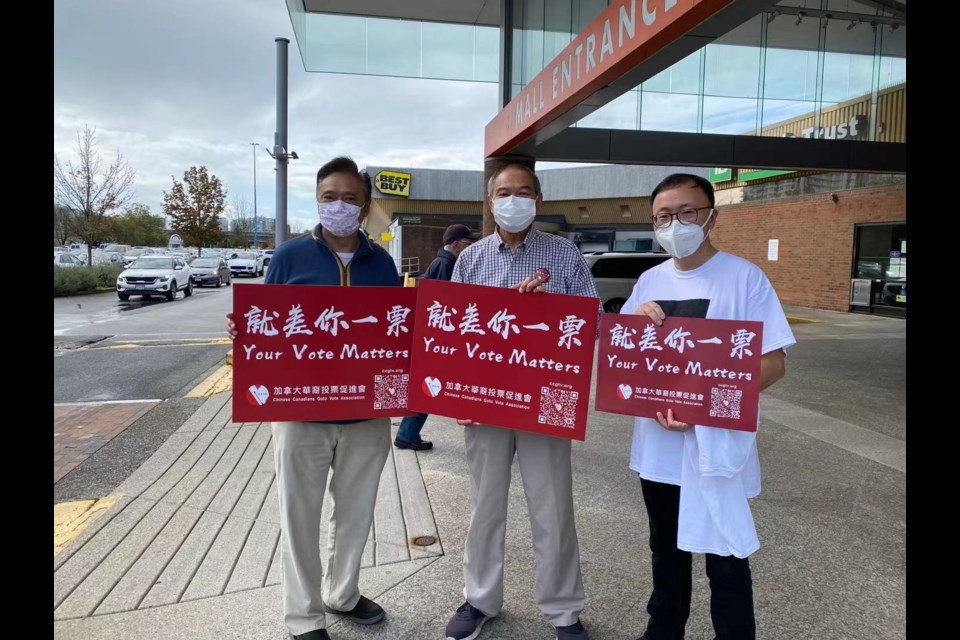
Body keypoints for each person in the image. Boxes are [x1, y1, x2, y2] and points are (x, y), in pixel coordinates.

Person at [225, 157, 400, 640]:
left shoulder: (382, 264)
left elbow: (396, 335)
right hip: (300, 414)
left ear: (365, 208)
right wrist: (244, 331)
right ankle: (303, 616)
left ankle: (342, 594)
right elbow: (266, 328)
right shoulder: (288, 258)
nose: (339, 206)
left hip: (365, 417)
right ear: (316, 200)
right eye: (329, 197)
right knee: (298, 516)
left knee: (357, 513)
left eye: (349, 198)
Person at [623, 173, 796, 640]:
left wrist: (701, 407)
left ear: (711, 217)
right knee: (665, 549)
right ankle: (664, 629)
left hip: (716, 447)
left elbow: (773, 364)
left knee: (726, 556)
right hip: (658, 448)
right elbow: (627, 364)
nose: (674, 223)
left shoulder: (744, 278)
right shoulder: (648, 281)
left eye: (686, 213)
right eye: (663, 216)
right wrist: (632, 326)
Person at [444, 164, 599, 640]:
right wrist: (455, 394)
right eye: (504, 193)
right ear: (490, 202)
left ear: (539, 198)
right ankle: (479, 598)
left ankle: (563, 608)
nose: (514, 200)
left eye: (524, 192)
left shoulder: (565, 255)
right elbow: (448, 333)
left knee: (552, 508)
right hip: (485, 403)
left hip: (544, 400)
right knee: (485, 506)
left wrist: (547, 309)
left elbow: (589, 324)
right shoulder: (470, 260)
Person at [394, 223, 479, 451]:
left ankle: (407, 433)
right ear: (455, 244)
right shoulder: (445, 265)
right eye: (468, 244)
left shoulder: (444, 262)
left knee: (429, 386)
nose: (470, 248)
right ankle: (406, 434)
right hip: (436, 340)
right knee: (429, 387)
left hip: (433, 339)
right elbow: (445, 305)